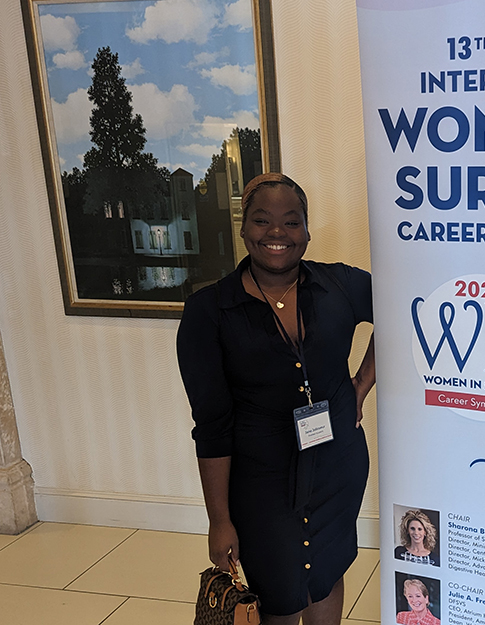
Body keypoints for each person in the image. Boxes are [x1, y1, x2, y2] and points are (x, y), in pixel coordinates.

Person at [177, 172, 376, 624]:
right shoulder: (209, 312)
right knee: (278, 589)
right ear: (243, 227)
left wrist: (360, 386)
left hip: (337, 465)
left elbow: (405, 305)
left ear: (306, 229)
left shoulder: (339, 286)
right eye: (262, 220)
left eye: (291, 222)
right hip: (261, 481)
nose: (277, 234)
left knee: (325, 571)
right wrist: (219, 519)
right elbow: (211, 425)